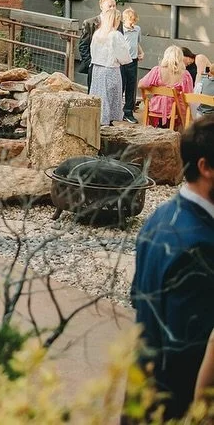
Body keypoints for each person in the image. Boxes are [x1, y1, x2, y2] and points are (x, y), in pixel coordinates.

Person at [131, 114, 214, 419]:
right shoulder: (201, 246)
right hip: (174, 405)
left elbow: (138, 297)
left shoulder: (161, 215)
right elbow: (189, 349)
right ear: (206, 168)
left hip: (142, 389)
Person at [88, 8, 133, 126]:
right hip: (110, 69)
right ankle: (107, 122)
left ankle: (98, 120)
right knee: (110, 97)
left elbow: (92, 51)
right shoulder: (115, 35)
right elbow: (124, 56)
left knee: (98, 96)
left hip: (97, 69)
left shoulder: (98, 33)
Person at [139, 46, 194, 128]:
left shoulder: (156, 70)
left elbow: (141, 84)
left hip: (155, 106)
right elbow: (189, 95)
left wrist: (155, 89)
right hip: (175, 109)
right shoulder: (185, 74)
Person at [78, 0, 117, 91]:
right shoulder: (90, 23)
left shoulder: (118, 23)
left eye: (114, 6)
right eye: (109, 6)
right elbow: (83, 45)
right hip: (95, 66)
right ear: (101, 6)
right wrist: (90, 63)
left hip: (112, 68)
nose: (112, 8)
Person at [121, 8, 143, 124]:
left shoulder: (137, 29)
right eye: (130, 22)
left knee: (131, 86)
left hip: (133, 61)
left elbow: (137, 43)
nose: (133, 24)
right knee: (121, 86)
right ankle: (117, 111)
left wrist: (141, 52)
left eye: (134, 21)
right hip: (122, 61)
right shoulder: (121, 30)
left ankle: (128, 112)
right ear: (125, 20)